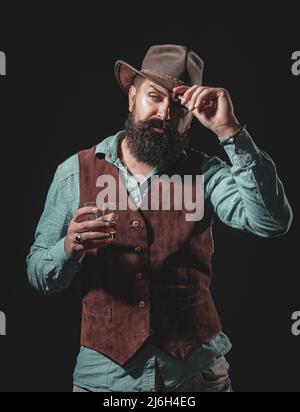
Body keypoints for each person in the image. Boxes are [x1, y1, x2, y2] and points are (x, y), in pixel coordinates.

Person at [27, 44, 293, 392]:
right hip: (104, 379)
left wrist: (230, 132)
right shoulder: (74, 173)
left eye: (180, 105)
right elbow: (38, 273)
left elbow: (270, 221)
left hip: (195, 376)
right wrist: (68, 248)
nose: (165, 113)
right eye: (154, 97)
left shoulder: (206, 173)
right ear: (132, 97)